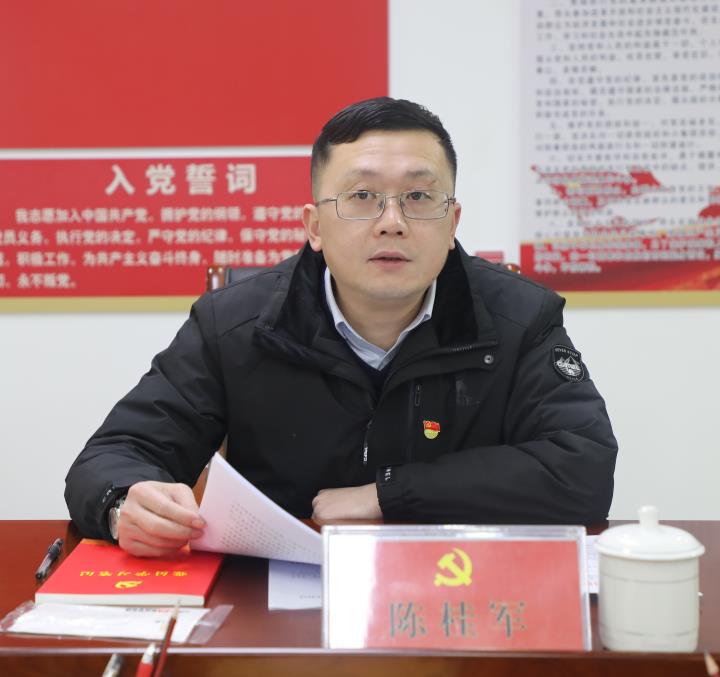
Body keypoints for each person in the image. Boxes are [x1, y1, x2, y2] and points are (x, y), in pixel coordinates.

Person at [65, 97, 617, 557]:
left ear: (452, 223)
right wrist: (124, 502)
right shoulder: (233, 324)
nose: (392, 222)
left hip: (459, 587)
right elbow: (113, 454)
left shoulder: (520, 319)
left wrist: (387, 495)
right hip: (284, 598)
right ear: (315, 226)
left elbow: (583, 469)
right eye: (362, 197)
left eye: (419, 197)